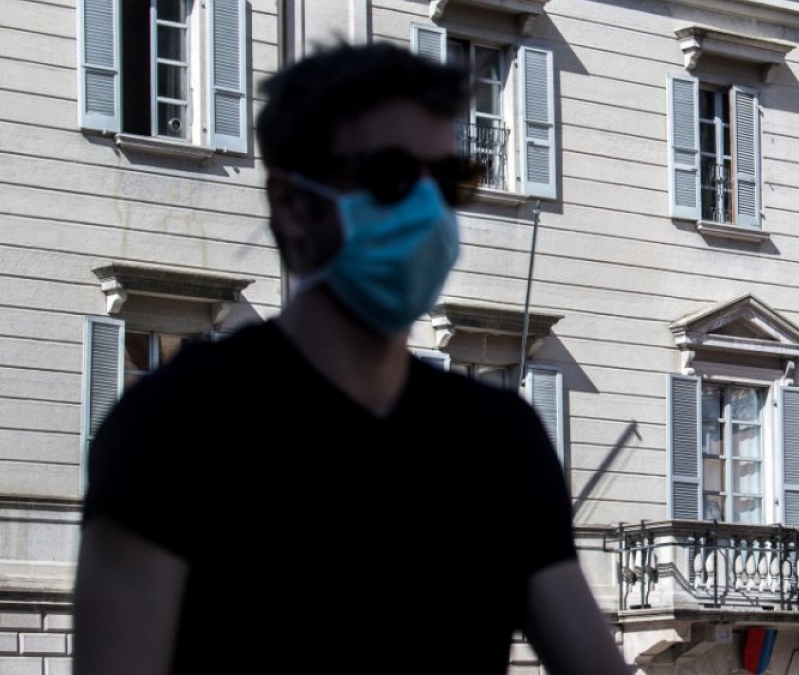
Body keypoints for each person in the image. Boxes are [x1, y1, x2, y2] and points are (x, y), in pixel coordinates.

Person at [73, 43, 629, 675]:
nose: (427, 210)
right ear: (293, 204)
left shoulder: (502, 437)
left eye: (448, 182)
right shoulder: (173, 423)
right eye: (391, 177)